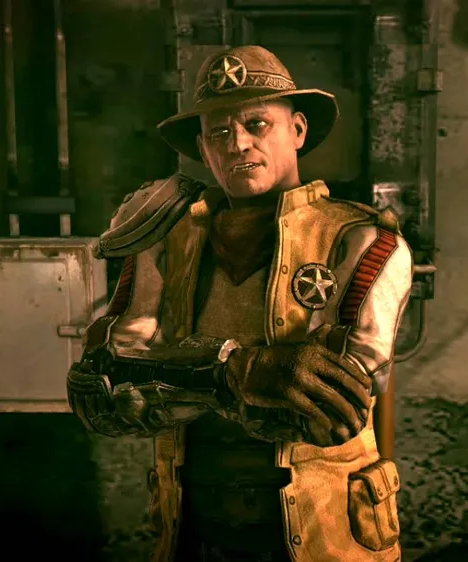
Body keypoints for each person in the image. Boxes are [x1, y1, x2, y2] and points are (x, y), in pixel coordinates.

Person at [66, 45, 412, 562]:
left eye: (257, 124)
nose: (238, 144)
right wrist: (238, 372)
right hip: (194, 530)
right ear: (203, 149)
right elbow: (102, 389)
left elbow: (331, 411)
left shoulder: (360, 240)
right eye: (219, 133)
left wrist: (173, 378)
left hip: (325, 536)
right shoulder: (163, 240)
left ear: (297, 130)